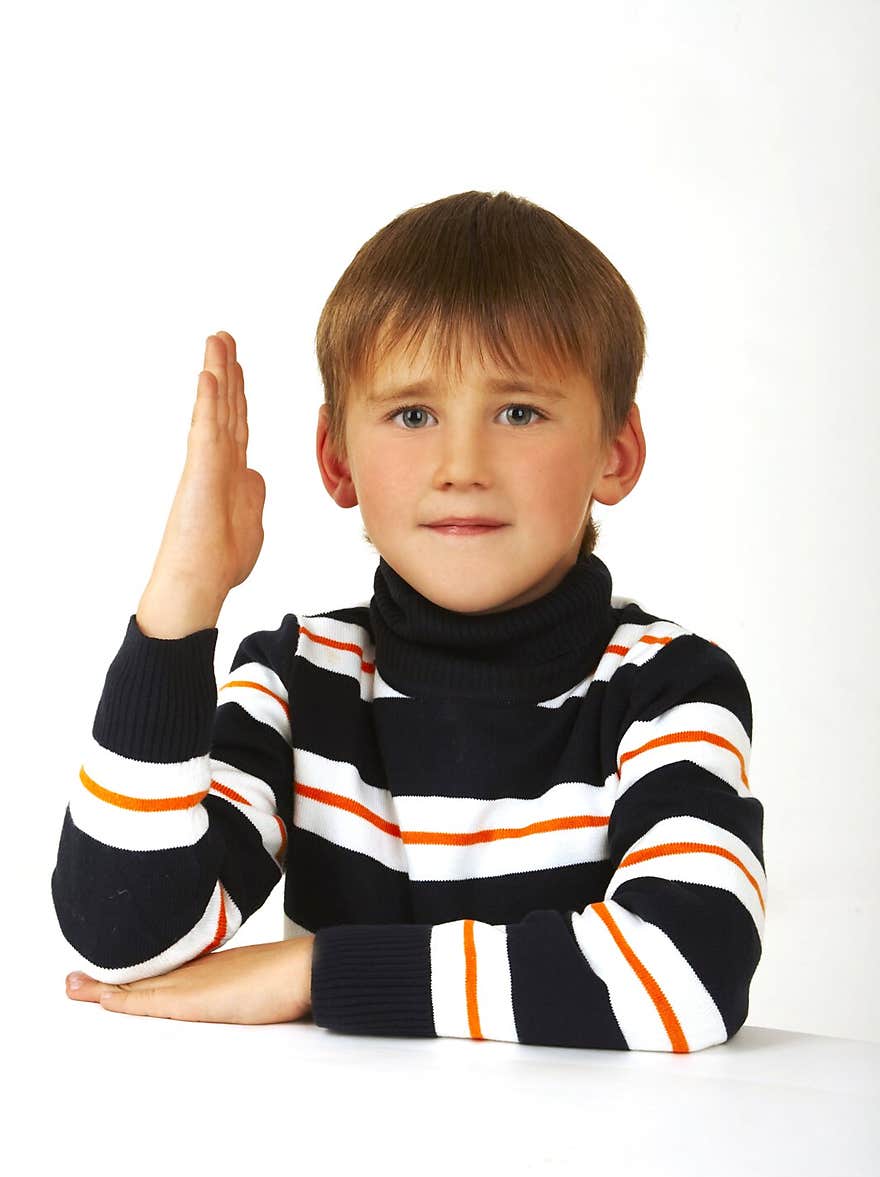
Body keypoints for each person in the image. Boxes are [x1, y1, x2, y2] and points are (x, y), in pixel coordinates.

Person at [51, 189, 767, 1050]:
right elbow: (123, 935)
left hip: (599, 1173)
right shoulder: (298, 677)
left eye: (519, 411)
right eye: (413, 414)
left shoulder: (668, 686)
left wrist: (316, 976)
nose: (461, 466)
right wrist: (181, 603)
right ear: (336, 457)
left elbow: (686, 972)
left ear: (616, 452)